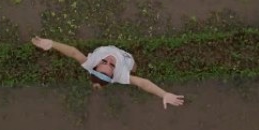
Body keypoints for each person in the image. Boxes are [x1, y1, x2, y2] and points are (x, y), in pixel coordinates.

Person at [31, 36, 185, 109]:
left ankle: (98, 84)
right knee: (134, 67)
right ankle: (105, 81)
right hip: (127, 59)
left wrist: (52, 44)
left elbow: (72, 52)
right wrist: (163, 94)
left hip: (112, 58)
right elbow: (143, 83)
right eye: (111, 66)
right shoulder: (121, 75)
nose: (109, 60)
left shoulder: (89, 63)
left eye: (104, 62)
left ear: (95, 66)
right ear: (113, 76)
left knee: (131, 68)